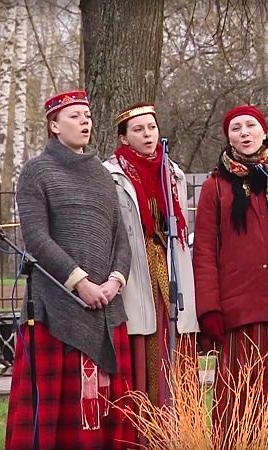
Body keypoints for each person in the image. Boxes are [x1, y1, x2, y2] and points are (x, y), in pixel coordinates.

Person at [6, 90, 134, 449]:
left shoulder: (102, 174)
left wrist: (114, 282)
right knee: (54, 422)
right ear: (54, 125)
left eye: (87, 116)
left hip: (107, 309)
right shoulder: (36, 171)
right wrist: (79, 283)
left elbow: (120, 237)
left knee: (109, 417)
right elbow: (36, 237)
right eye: (75, 116)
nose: (84, 122)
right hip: (56, 310)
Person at [192, 104, 268, 446]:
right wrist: (210, 309)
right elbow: (204, 251)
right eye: (236, 128)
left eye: (250, 125)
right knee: (239, 404)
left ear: (264, 130)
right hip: (239, 312)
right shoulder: (216, 186)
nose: (244, 133)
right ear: (228, 137)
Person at [102, 103, 199, 411]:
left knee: (177, 343)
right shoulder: (112, 175)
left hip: (171, 268)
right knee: (147, 345)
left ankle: (181, 425)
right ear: (124, 138)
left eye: (152, 127)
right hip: (137, 271)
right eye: (138, 129)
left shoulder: (172, 172)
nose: (148, 134)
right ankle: (147, 426)